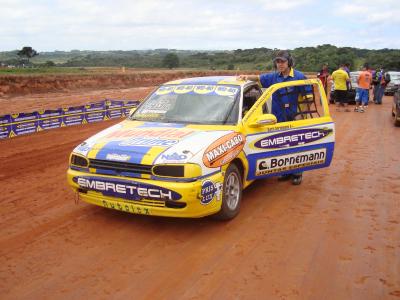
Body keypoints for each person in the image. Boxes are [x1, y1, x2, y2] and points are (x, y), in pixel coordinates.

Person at [237, 50, 313, 185]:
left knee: (295, 146)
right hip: (277, 118)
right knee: (281, 145)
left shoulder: (299, 77)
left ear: (289, 62)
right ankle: (285, 171)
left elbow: (308, 99)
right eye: (278, 62)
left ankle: (297, 173)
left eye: (283, 61)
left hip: (294, 118)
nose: (280, 64)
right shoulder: (274, 77)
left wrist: (302, 118)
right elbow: (259, 78)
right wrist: (245, 76)